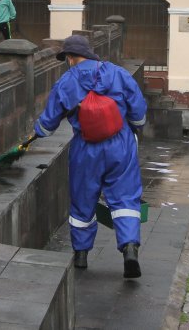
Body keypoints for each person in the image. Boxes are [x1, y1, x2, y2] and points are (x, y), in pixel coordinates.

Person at [34, 35, 147, 278]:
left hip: (86, 147)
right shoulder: (117, 73)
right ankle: (129, 248)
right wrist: (136, 124)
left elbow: (48, 124)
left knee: (83, 199)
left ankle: (82, 255)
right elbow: (138, 110)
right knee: (126, 198)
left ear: (71, 58)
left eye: (67, 58)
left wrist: (38, 131)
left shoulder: (65, 82)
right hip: (121, 144)